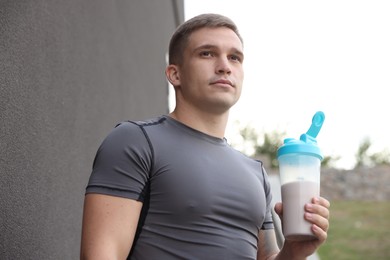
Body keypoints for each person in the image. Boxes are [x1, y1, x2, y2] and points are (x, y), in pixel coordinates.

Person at [80, 13, 330, 260]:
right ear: (174, 74)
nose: (224, 66)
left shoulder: (256, 173)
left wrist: (292, 253)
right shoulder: (134, 141)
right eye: (207, 53)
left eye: (235, 57)